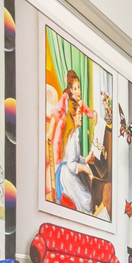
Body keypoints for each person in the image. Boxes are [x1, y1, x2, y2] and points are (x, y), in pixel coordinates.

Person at [45, 69, 96, 212]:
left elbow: (86, 110)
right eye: (75, 88)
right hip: (62, 134)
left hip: (69, 135)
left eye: (79, 87)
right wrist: (50, 131)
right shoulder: (65, 99)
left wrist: (85, 160)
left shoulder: (78, 109)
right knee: (85, 199)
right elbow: (55, 114)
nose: (78, 91)